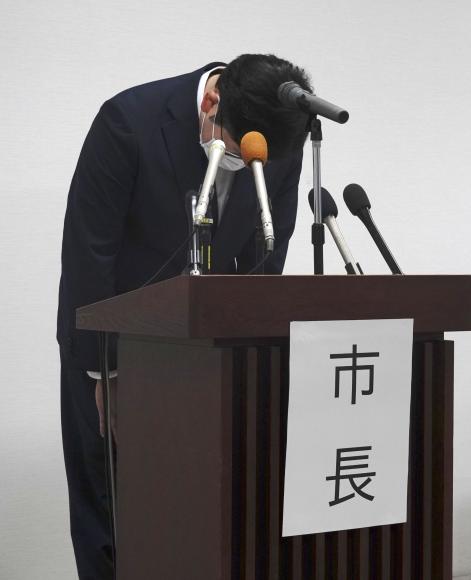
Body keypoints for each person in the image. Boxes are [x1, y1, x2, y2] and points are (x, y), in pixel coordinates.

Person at [57, 54, 312, 579]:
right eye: (239, 154)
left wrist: (252, 356)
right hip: (115, 353)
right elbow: (89, 255)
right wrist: (103, 371)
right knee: (113, 513)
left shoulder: (279, 138)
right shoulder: (129, 122)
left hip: (212, 358)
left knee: (206, 507)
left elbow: (271, 251)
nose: (246, 163)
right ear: (212, 102)